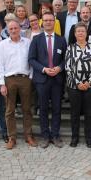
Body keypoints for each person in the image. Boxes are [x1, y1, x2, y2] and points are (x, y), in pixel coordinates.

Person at [28, 12, 67, 148]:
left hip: (57, 79)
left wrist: (59, 68)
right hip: (42, 79)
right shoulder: (36, 39)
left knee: (57, 108)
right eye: (46, 20)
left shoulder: (61, 40)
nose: (48, 22)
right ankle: (45, 136)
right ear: (42, 22)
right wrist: (44, 69)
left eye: (51, 20)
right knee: (43, 109)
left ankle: (55, 135)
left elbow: (65, 59)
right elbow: (31, 59)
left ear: (54, 22)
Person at [0, 20, 37, 149]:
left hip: (25, 79)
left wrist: (30, 77)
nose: (13, 30)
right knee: (9, 110)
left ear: (20, 28)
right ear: (7, 30)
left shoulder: (27, 42)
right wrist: (2, 84)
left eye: (15, 28)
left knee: (27, 109)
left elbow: (31, 61)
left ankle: (28, 135)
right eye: (11, 29)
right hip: (10, 80)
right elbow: (0, 65)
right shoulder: (3, 45)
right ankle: (12, 137)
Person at [65, 22, 91, 148]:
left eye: (83, 31)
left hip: (90, 85)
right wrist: (78, 83)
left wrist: (88, 82)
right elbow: (68, 68)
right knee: (74, 113)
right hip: (74, 86)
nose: (80, 33)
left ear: (86, 33)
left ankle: (89, 138)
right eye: (78, 31)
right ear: (75, 34)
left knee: (89, 113)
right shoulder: (70, 48)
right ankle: (75, 137)